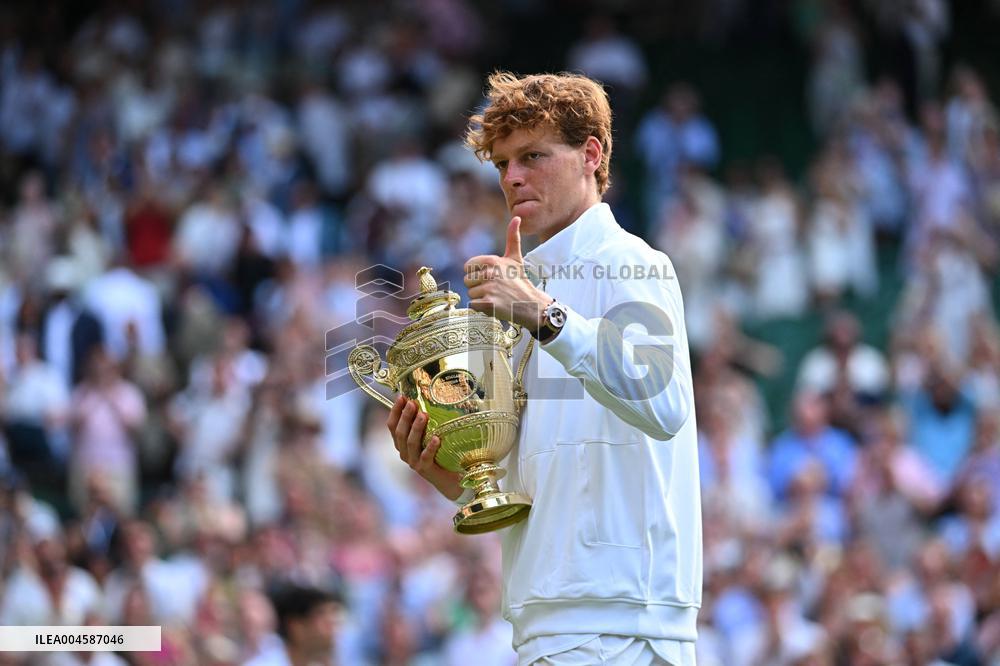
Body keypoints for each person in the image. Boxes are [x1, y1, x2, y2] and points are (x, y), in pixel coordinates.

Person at [386, 71, 701, 665]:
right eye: (502, 163)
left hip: (620, 626)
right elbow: (534, 476)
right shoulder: (523, 295)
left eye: (533, 155)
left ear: (591, 155)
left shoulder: (633, 263)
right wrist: (452, 472)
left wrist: (543, 315)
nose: (512, 177)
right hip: (548, 621)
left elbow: (664, 406)